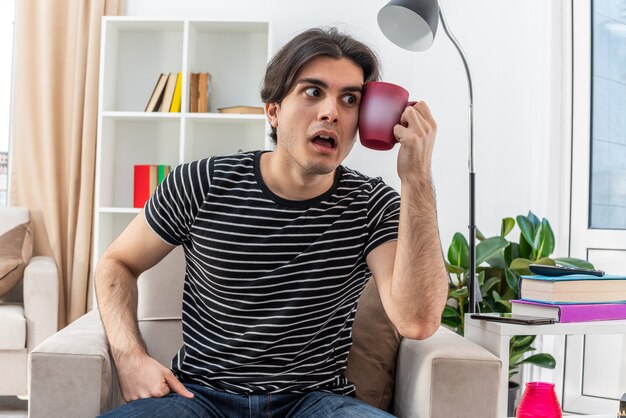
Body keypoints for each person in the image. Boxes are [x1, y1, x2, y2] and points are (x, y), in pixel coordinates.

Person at [96, 27, 448, 418]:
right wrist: (129, 357)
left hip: (314, 402)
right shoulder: (200, 182)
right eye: (313, 92)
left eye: (350, 99)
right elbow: (117, 263)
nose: (332, 111)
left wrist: (417, 179)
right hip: (200, 397)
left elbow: (416, 322)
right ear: (274, 110)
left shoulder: (373, 205)